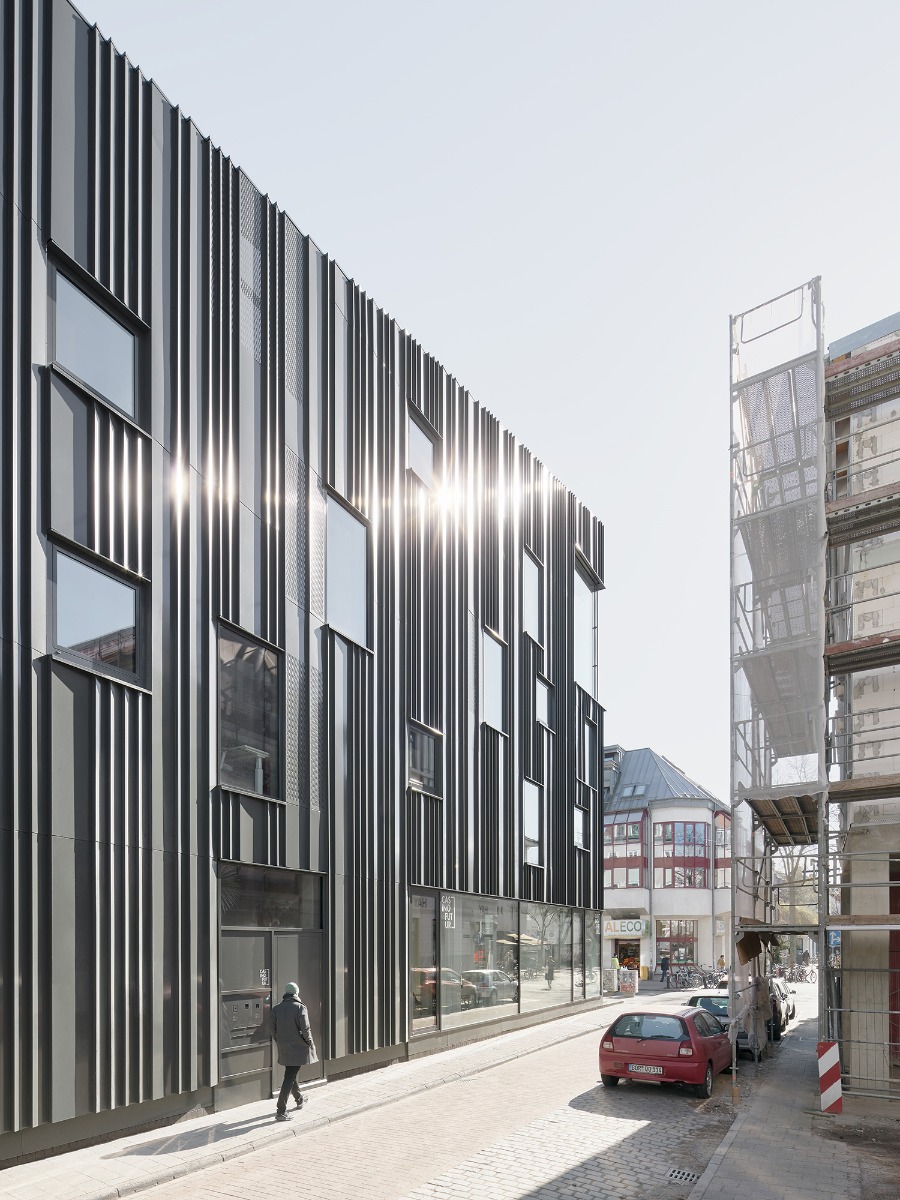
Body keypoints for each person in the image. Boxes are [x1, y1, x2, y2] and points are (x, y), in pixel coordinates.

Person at [271, 981, 317, 1122]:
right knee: (290, 1076)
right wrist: (309, 1043)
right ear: (296, 993)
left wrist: (280, 1041)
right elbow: (306, 1029)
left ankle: (299, 1099)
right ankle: (281, 1111)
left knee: (291, 1073)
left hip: (284, 1047)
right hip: (297, 1047)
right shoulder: (300, 1007)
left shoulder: (276, 1009)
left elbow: (273, 1030)